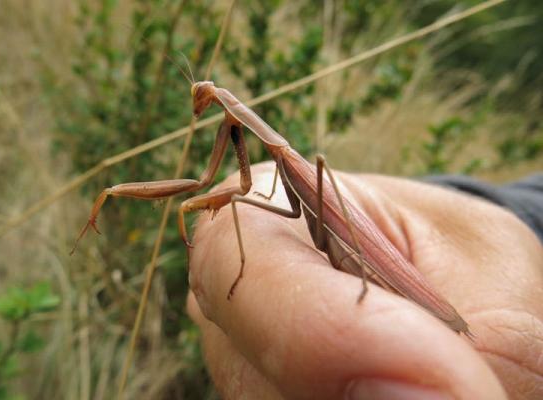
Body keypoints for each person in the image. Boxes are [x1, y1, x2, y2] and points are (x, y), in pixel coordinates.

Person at [186, 162, 543, 400]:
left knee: (242, 200)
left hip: (351, 248)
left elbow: (234, 191)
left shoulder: (291, 163)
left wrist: (242, 265)